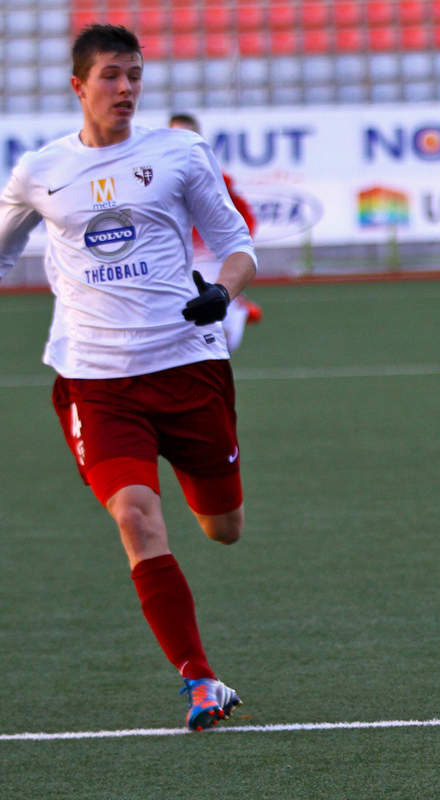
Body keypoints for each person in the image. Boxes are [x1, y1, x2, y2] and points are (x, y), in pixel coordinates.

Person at [0, 24, 257, 729]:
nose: (126, 89)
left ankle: (208, 504)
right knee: (137, 517)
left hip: (188, 365)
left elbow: (237, 245)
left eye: (135, 75)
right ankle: (201, 681)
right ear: (78, 86)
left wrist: (223, 292)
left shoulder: (178, 153)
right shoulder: (39, 172)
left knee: (222, 527)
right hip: (95, 379)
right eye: (111, 76)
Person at [168, 111, 262, 352]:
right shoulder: (156, 180)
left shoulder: (216, 178)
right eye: (174, 137)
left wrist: (232, 251)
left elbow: (244, 220)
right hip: (173, 264)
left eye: (186, 136)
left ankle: (236, 310)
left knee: (219, 340)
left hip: (210, 262)